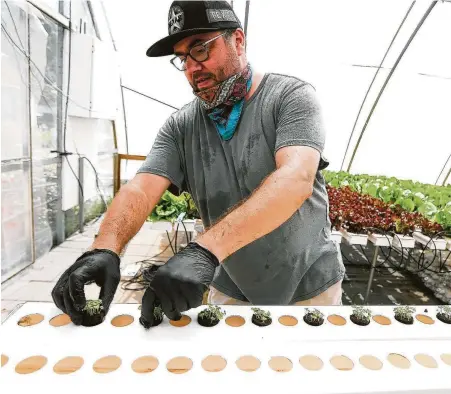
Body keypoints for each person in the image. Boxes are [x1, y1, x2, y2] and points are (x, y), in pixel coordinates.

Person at [51, 1, 345, 328]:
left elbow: (296, 178)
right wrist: (103, 248)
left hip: (308, 286)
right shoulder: (181, 126)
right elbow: (142, 188)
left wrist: (204, 251)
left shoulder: (289, 97)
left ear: (238, 40)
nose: (192, 67)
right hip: (231, 285)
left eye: (201, 49)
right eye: (182, 58)